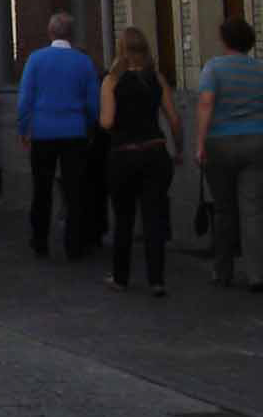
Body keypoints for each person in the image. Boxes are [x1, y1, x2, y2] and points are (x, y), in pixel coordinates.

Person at [16, 11, 102, 261]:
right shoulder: (83, 62)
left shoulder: (36, 60)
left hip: (43, 131)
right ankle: (74, 244)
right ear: (72, 34)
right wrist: (88, 125)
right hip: (74, 130)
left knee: (41, 188)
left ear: (50, 32)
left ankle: (39, 241)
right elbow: (93, 102)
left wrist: (24, 128)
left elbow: (25, 98)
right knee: (75, 190)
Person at [100, 27, 179, 297]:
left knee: (123, 218)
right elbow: (174, 119)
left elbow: (107, 121)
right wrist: (178, 147)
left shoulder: (112, 81)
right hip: (154, 152)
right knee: (154, 217)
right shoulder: (156, 78)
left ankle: (121, 277)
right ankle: (157, 280)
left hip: (124, 154)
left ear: (120, 49)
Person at [195, 16, 263, 290]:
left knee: (224, 209)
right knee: (253, 210)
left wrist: (200, 143)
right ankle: (256, 273)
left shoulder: (213, 68)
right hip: (256, 142)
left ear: (224, 40)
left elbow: (206, 103)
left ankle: (223, 271)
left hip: (220, 142)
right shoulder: (260, 68)